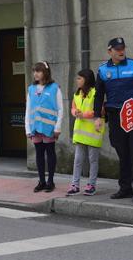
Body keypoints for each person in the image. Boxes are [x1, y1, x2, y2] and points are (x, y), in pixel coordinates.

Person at [94, 37, 133, 203]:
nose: (121, 51)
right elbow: (98, 95)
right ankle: (125, 188)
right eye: (117, 49)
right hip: (114, 116)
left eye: (123, 48)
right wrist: (97, 117)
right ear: (110, 51)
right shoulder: (102, 70)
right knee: (122, 153)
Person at [25, 61, 64, 193]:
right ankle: (41, 181)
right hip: (35, 127)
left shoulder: (54, 88)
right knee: (39, 154)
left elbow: (60, 109)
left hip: (49, 128)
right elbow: (28, 110)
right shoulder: (31, 89)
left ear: (45, 72)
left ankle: (50, 181)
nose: (35, 74)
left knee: (50, 152)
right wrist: (27, 129)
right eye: (34, 71)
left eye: (39, 71)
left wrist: (57, 127)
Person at [66, 69, 105, 196]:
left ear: (86, 79)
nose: (77, 81)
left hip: (93, 132)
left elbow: (100, 110)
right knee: (78, 160)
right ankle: (75, 185)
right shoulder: (77, 94)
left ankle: (91, 185)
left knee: (93, 160)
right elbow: (73, 107)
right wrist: (75, 112)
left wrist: (84, 114)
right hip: (80, 132)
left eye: (79, 78)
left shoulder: (95, 93)